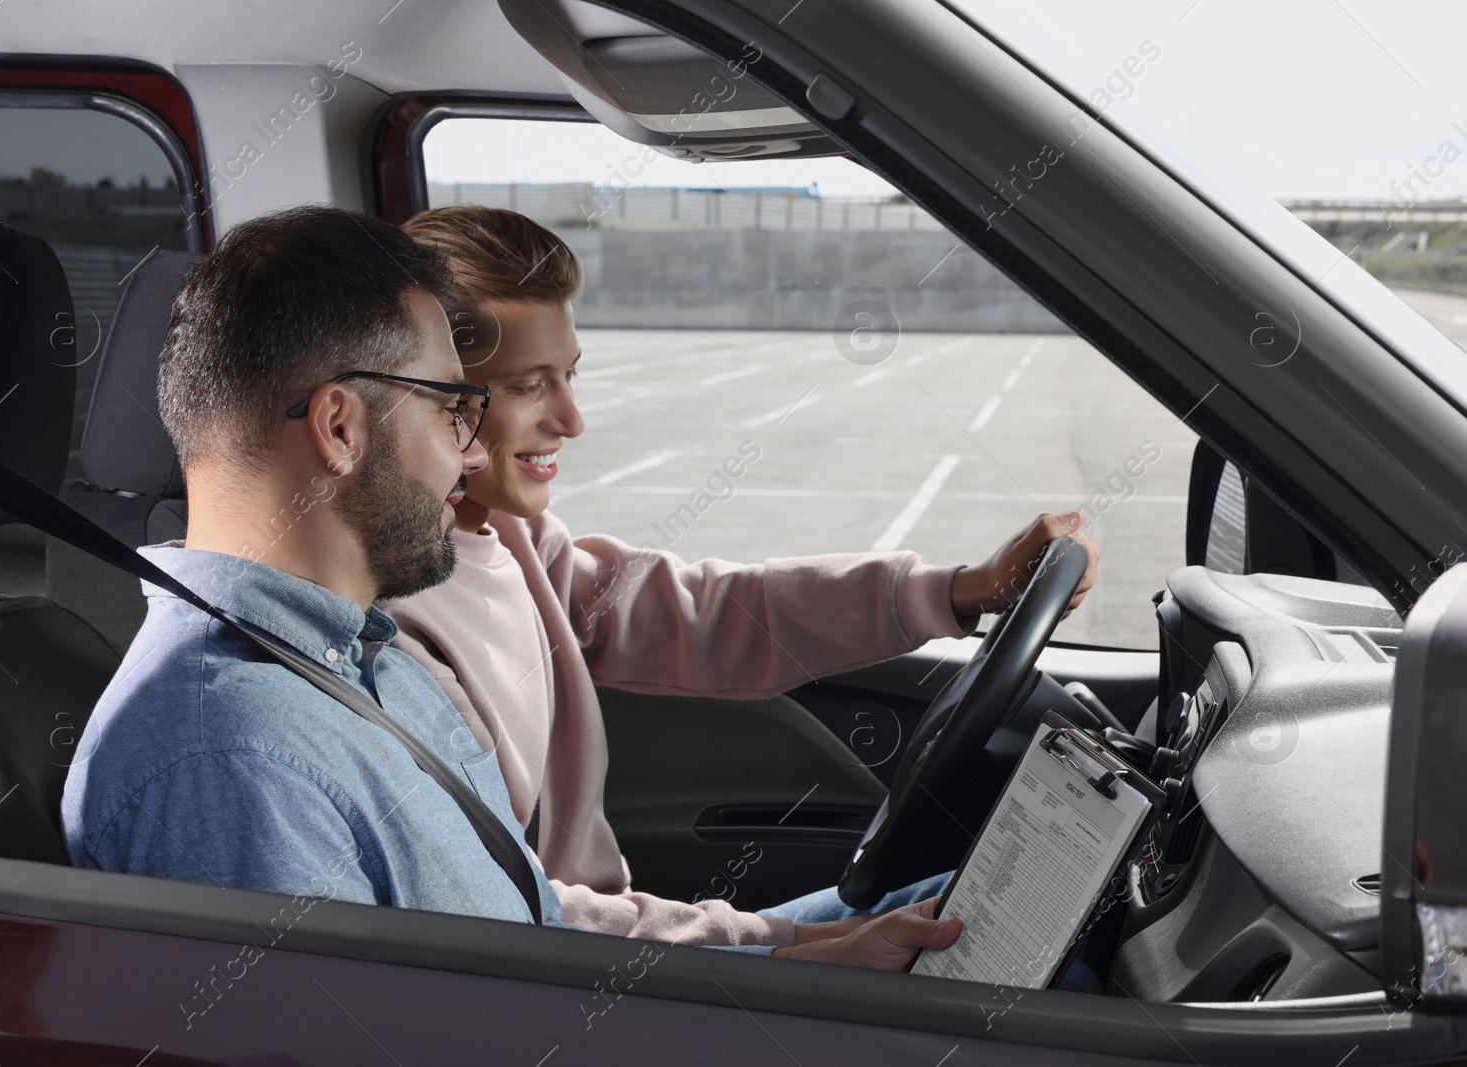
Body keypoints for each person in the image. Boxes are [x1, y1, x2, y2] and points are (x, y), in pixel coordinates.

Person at [60, 205, 967, 971]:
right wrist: (787, 973)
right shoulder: (235, 760)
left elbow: (530, 926)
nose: (466, 453)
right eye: (455, 407)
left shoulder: (360, 661)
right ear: (339, 426)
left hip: (588, 1003)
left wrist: (787, 962)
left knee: (974, 927)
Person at [380, 206, 1101, 953]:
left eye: (570, 375)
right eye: (530, 385)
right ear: (434, 399)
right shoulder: (397, 634)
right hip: (582, 978)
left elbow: (713, 612)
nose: (572, 418)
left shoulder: (518, 539)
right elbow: (512, 908)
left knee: (1025, 920)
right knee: (1041, 952)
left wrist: (957, 589)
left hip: (629, 944)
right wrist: (793, 950)